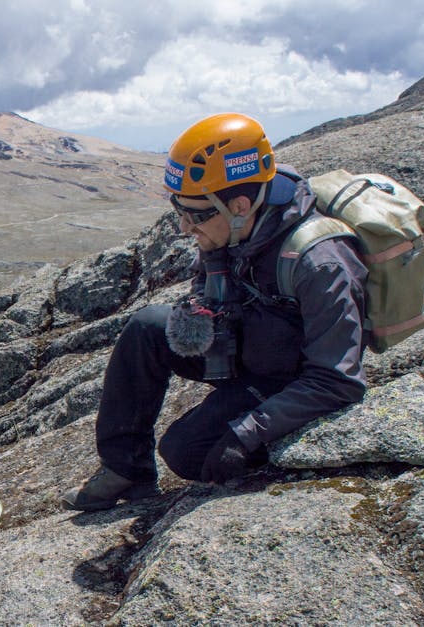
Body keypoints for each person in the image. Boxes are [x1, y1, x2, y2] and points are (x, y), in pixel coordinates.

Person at [62, 113, 369, 511]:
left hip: (288, 382)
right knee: (146, 328)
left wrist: (247, 432)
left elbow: (336, 380)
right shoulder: (233, 225)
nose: (187, 227)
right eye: (180, 212)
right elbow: (203, 281)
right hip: (244, 346)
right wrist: (200, 312)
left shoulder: (320, 263)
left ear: (239, 204)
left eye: (196, 215)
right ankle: (126, 469)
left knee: (185, 451)